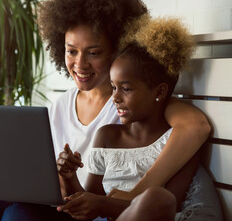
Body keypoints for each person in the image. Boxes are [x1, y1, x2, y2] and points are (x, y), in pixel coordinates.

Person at [0, 0, 216, 220]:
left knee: (18, 214)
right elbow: (52, 182)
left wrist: (134, 193)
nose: (80, 64)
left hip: (70, 213)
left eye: (93, 52)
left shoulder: (135, 103)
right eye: (71, 51)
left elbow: (195, 126)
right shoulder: (61, 105)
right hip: (53, 203)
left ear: (118, 50)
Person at [56, 17, 199, 220]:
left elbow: (168, 209)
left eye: (126, 89)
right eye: (114, 87)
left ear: (160, 91)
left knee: (157, 198)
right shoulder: (106, 136)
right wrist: (68, 177)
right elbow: (89, 206)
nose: (115, 97)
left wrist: (103, 204)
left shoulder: (176, 144)